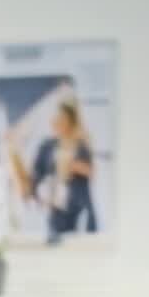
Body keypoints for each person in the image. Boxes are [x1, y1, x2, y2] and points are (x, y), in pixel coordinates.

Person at [31, 100, 97, 242]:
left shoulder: (81, 145)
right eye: (56, 118)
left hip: (80, 209)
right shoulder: (46, 146)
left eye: (62, 118)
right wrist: (40, 196)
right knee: (57, 246)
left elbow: (91, 172)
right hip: (56, 211)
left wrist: (73, 166)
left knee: (84, 247)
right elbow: (36, 177)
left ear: (71, 122)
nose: (57, 122)